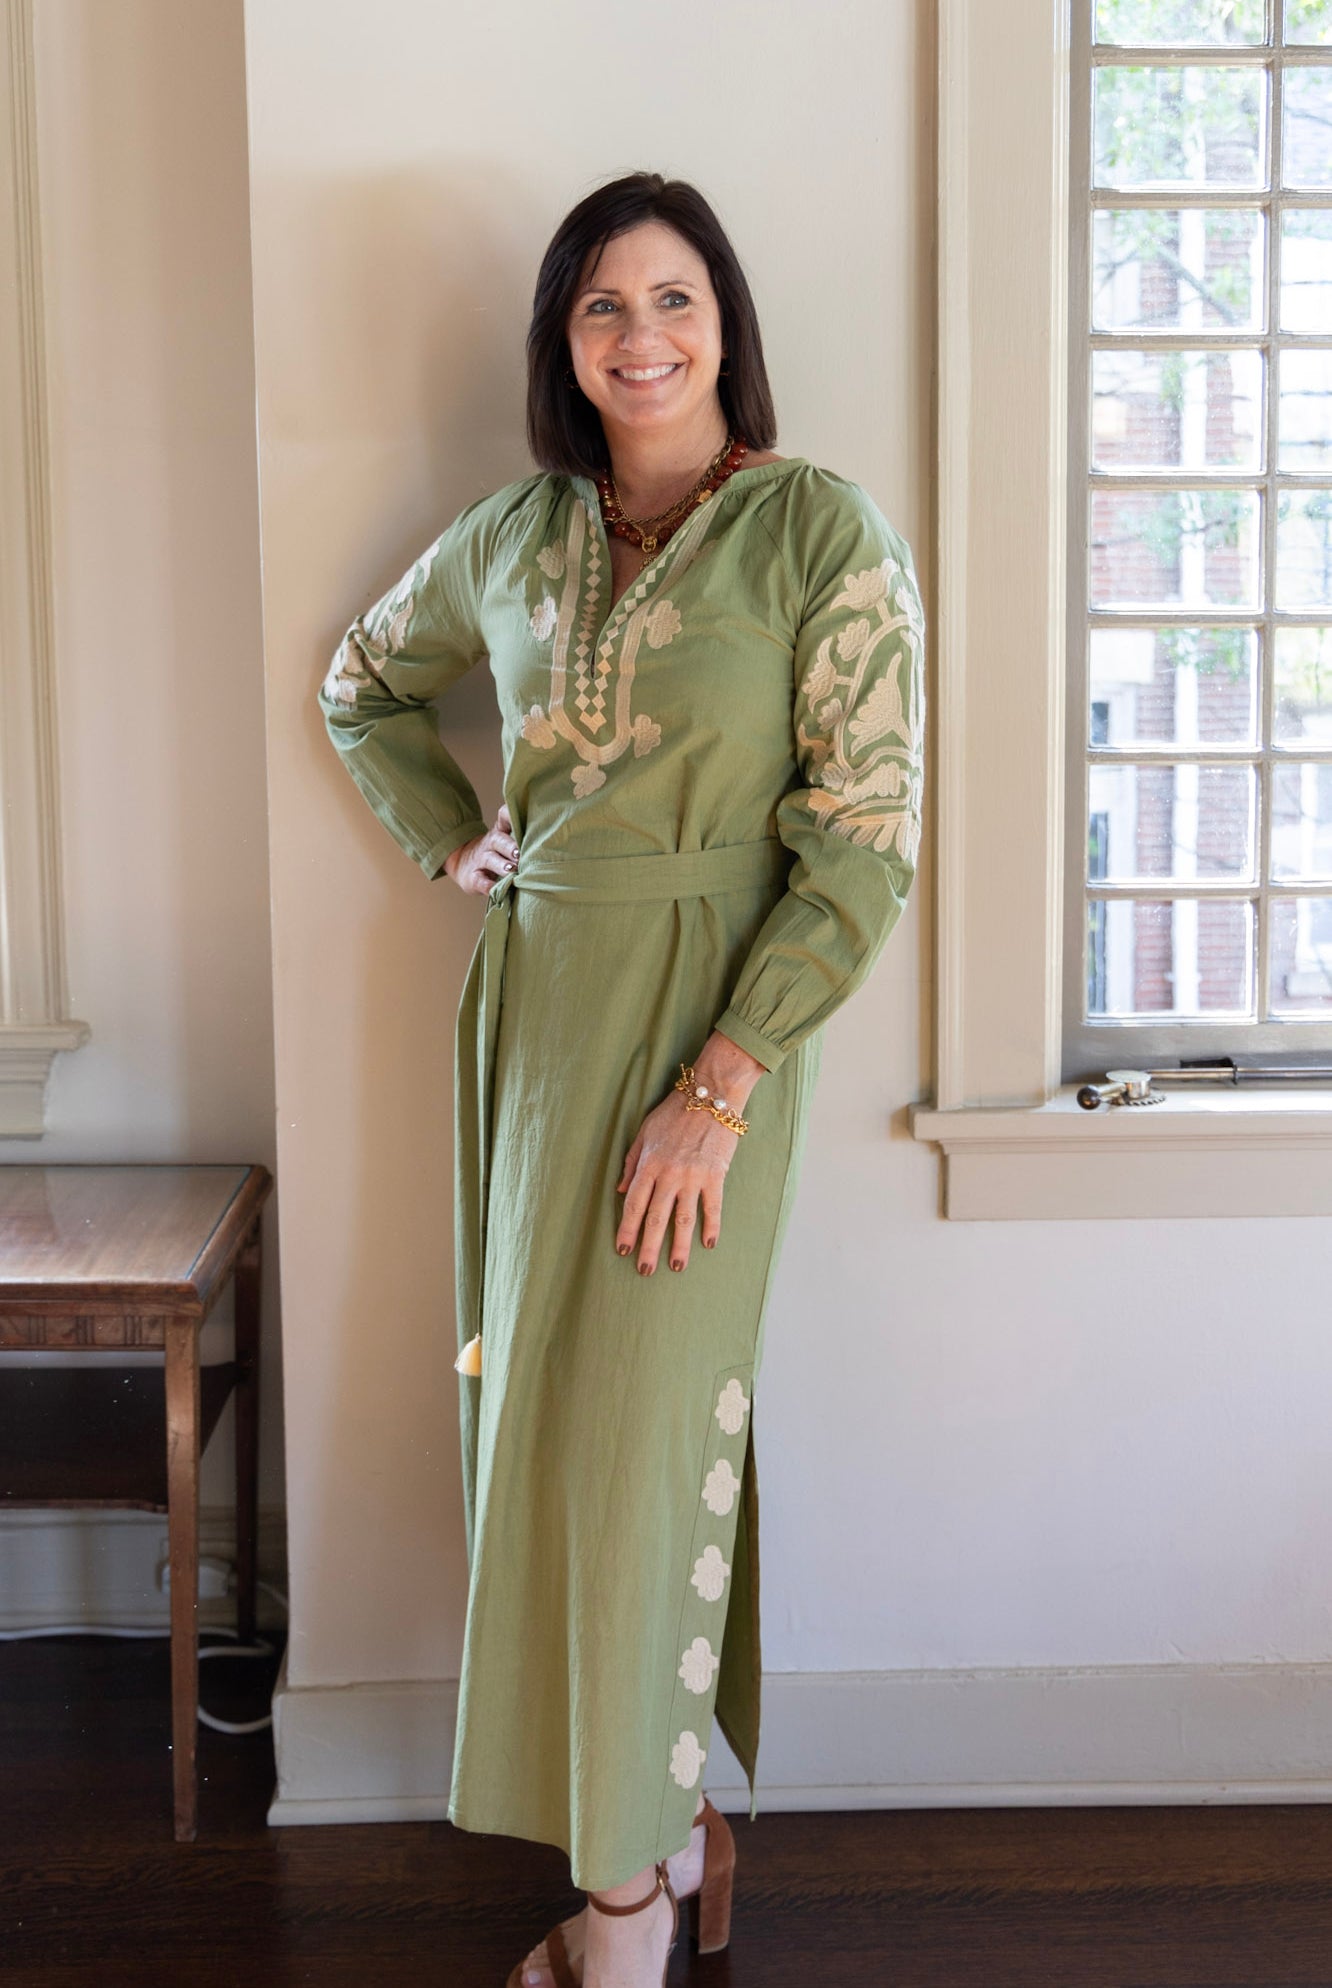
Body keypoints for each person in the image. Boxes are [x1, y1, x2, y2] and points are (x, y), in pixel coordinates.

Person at [318, 169, 925, 1988]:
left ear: (725, 324)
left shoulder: (819, 532)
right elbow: (362, 685)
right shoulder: (514, 535)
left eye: (673, 300)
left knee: (648, 1445)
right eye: (601, 305)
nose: (639, 336)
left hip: (710, 1033)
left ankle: (624, 1913)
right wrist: (448, 836)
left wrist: (722, 1082)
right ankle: (667, 1841)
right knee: (542, 1445)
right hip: (535, 1020)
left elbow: (866, 841)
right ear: (562, 343)